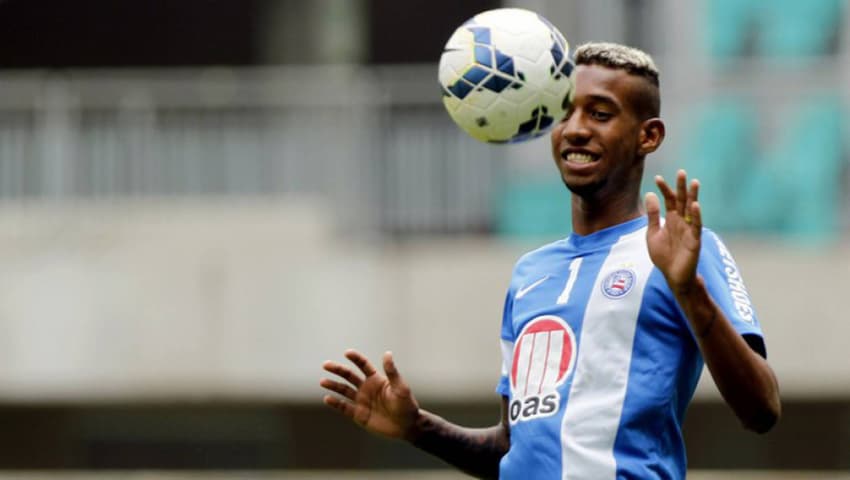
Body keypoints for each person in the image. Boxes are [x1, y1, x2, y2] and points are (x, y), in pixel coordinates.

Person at [319, 42, 781, 479]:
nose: (576, 128)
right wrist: (416, 426)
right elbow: (512, 450)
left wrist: (689, 292)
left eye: (600, 114)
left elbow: (762, 410)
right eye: (564, 112)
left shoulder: (678, 251)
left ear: (649, 136)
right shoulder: (530, 273)